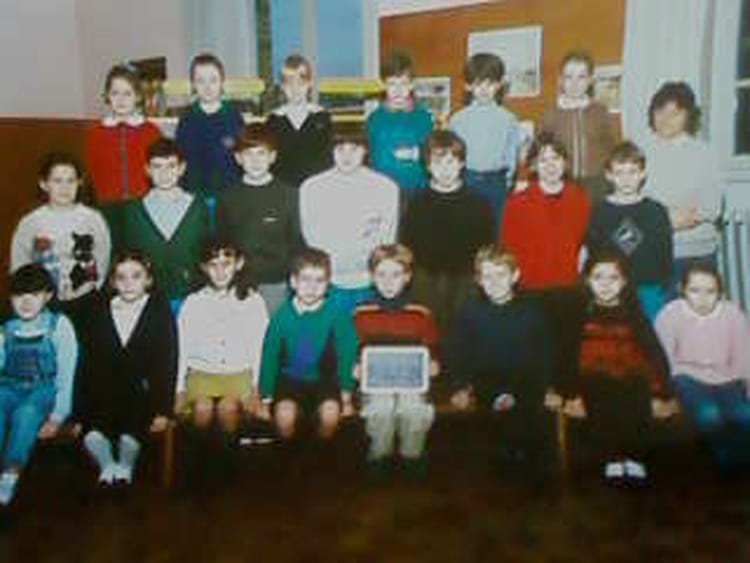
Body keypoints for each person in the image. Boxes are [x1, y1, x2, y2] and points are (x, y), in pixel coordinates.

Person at [564, 252, 671, 485]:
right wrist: (571, 394)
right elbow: (567, 358)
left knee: (635, 388)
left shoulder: (634, 315)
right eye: (598, 277)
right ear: (587, 281)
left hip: (628, 374)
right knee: (601, 390)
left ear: (623, 282)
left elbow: (654, 354)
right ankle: (612, 455)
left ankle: (633, 455)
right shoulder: (577, 315)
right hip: (591, 377)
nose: (605, 284)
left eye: (613, 278)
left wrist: (662, 393)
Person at [448, 247, 557, 476]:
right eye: (487, 276)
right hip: (486, 378)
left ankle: (523, 456)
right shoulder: (469, 311)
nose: (494, 282)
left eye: (501, 275)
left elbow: (546, 351)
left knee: (530, 408)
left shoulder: (532, 310)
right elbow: (458, 353)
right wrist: (460, 386)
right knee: (493, 404)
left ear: (515, 276)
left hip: (525, 378)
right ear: (478, 280)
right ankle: (503, 454)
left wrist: (549, 387)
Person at [77, 251, 176, 487]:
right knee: (92, 432)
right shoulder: (99, 310)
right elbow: (87, 364)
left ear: (148, 280)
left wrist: (163, 409)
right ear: (112, 282)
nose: (128, 283)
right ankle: (107, 465)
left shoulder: (158, 312)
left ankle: (125, 465)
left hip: (140, 391)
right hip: (103, 390)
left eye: (136, 276)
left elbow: (166, 362)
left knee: (130, 430)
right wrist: (79, 411)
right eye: (121, 277)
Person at [353, 244, 439, 481]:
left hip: (411, 382)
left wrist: (433, 363)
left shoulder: (420, 314)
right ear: (372, 277)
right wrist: (356, 366)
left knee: (414, 408)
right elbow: (352, 350)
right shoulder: (361, 314)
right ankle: (379, 455)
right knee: (381, 408)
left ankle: (412, 455)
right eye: (381, 275)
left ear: (407, 277)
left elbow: (432, 347)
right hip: (375, 384)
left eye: (396, 275)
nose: (388, 282)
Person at [655, 263, 750, 473]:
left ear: (720, 293)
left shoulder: (732, 314)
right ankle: (725, 458)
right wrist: (666, 394)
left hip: (727, 377)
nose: (702, 298)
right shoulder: (670, 314)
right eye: (695, 291)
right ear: (682, 290)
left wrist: (747, 389)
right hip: (687, 376)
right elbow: (664, 358)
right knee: (709, 414)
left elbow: (744, 357)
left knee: (744, 414)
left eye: (710, 291)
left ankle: (739, 460)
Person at [257, 248, 358, 443]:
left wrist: (346, 394)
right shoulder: (282, 316)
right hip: (290, 380)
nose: (312, 287)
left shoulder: (337, 315)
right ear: (293, 282)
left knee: (330, 415)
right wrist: (266, 398)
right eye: (305, 280)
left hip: (326, 381)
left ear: (328, 285)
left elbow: (347, 353)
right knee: (284, 416)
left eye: (319, 281)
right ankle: (288, 454)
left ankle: (321, 451)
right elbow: (269, 355)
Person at [400, 130, 493, 334]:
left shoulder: (478, 203)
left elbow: (487, 245)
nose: (445, 170)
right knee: (429, 333)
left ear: (461, 164)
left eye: (451, 162)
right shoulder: (416, 203)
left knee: (465, 333)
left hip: (466, 279)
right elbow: (406, 245)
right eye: (437, 163)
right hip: (426, 280)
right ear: (427, 166)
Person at [0, 264, 78, 505]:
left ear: (48, 296)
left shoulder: (58, 325)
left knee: (27, 413)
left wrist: (58, 416)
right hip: (9, 386)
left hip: (42, 390)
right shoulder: (7, 329)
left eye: (34, 295)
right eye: (18, 295)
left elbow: (67, 374)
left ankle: (10, 472)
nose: (25, 302)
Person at [300, 125, 399, 314]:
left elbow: (387, 238)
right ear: (331, 151)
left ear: (365, 151)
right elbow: (310, 235)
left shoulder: (386, 187)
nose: (347, 156)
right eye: (340, 149)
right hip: (328, 282)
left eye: (354, 149)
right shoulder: (312, 187)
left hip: (369, 282)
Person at [10, 152, 111, 331]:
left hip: (85, 302)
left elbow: (102, 262)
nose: (65, 188)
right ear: (44, 184)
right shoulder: (30, 222)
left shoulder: (93, 219)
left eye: (71, 181)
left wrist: (88, 289)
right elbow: (19, 267)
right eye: (57, 181)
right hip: (43, 304)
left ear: (79, 183)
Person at [175, 240, 268, 433]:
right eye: (213, 265)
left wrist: (257, 387)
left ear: (239, 264)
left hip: (238, 373)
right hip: (202, 373)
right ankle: (202, 451)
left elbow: (260, 348)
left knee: (228, 408)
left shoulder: (253, 301)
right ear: (203, 267)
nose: (220, 271)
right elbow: (181, 349)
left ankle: (227, 452)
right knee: (202, 408)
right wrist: (179, 389)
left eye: (226, 264)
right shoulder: (193, 302)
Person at [640, 82, 721, 297]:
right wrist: (665, 221)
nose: (665, 119)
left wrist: (679, 219)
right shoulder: (639, 153)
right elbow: (633, 204)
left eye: (674, 113)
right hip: (653, 252)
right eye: (660, 112)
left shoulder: (704, 153)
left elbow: (713, 207)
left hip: (696, 252)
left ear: (688, 116)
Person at [217, 123, 302, 314]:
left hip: (277, 285)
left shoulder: (290, 195)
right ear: (238, 158)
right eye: (248, 154)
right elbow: (223, 244)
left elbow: (296, 244)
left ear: (273, 157)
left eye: (261, 153)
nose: (255, 161)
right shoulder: (227, 198)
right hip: (239, 285)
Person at [587, 141, 672, 321]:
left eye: (632, 172)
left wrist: (663, 286)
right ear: (609, 175)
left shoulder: (656, 211)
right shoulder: (598, 212)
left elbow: (665, 253)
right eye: (619, 173)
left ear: (643, 174)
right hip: (613, 291)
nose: (626, 179)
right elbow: (594, 254)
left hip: (650, 289)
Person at [119, 138, 207, 313]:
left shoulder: (198, 206)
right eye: (157, 166)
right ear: (147, 170)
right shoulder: (134, 210)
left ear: (182, 168)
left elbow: (206, 252)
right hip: (147, 300)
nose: (164, 173)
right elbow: (128, 256)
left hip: (190, 298)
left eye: (171, 166)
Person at [449, 52, 521, 231]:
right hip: (467, 180)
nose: (483, 89)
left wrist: (507, 180)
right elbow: (453, 154)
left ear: (499, 84)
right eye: (478, 83)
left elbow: (511, 154)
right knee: (466, 231)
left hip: (496, 183)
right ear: (468, 86)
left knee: (495, 232)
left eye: (490, 84)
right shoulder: (458, 119)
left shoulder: (508, 119)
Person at [175, 52, 243, 230]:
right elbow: (179, 159)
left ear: (222, 82)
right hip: (194, 198)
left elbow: (242, 157)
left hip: (228, 197)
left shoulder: (233, 116)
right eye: (200, 80)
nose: (207, 86)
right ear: (193, 85)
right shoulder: (187, 118)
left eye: (213, 80)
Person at [541, 51, 616, 206]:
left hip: (596, 184)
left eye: (581, 77)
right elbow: (541, 152)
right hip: (562, 183)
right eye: (569, 77)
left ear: (590, 80)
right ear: (560, 81)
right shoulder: (551, 114)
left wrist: (611, 175)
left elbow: (610, 147)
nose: (574, 83)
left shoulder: (600, 111)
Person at [85, 64, 161, 206]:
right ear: (107, 95)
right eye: (115, 93)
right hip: (108, 205)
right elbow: (93, 173)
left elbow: (159, 171)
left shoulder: (151, 131)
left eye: (127, 93)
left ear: (138, 97)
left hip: (144, 205)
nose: (121, 99)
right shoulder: (96, 133)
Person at [366, 51, 433, 202]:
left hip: (416, 188)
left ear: (412, 84)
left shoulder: (423, 117)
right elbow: (370, 156)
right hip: (381, 189)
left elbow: (429, 153)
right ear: (383, 84)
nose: (398, 90)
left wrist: (416, 154)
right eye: (392, 84)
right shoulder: (374, 119)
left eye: (403, 83)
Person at [266, 54, 333, 188]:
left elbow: (327, 160)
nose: (295, 89)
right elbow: (270, 162)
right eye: (289, 83)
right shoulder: (273, 119)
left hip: (316, 188)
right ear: (282, 86)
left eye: (300, 83)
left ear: (309, 84)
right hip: (283, 189)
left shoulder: (322, 117)